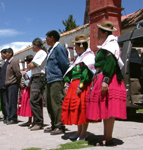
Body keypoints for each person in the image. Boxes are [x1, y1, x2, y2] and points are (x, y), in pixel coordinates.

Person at [86, 21, 127, 146]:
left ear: (104, 33)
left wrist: (105, 80)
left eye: (99, 32)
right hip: (103, 77)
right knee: (105, 109)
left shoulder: (111, 45)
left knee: (109, 110)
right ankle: (106, 136)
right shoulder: (106, 45)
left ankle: (108, 138)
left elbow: (111, 62)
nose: (97, 34)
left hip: (108, 79)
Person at [61, 34, 96, 140]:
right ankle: (79, 131)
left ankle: (83, 133)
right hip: (74, 85)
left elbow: (87, 73)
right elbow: (70, 73)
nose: (75, 48)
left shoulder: (89, 57)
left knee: (82, 109)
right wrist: (66, 83)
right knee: (76, 109)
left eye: (76, 46)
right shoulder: (78, 58)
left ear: (81, 46)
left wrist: (81, 85)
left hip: (82, 86)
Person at [44, 30, 69, 135]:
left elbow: (65, 65)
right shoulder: (50, 50)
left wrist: (64, 80)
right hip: (49, 79)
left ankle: (60, 125)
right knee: (50, 104)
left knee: (57, 103)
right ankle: (54, 124)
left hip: (56, 79)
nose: (46, 40)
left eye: (47, 37)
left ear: (52, 37)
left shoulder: (59, 48)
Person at [27, 38, 47, 131]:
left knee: (34, 99)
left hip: (39, 77)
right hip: (36, 77)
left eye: (33, 45)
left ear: (36, 45)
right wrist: (30, 65)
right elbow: (30, 65)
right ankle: (38, 121)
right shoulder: (37, 54)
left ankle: (38, 122)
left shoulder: (41, 53)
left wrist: (30, 65)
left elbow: (33, 65)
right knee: (35, 100)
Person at [5, 48, 22, 125]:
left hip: (13, 84)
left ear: (11, 53)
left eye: (7, 53)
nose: (5, 54)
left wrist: (18, 83)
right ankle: (10, 116)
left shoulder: (14, 61)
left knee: (12, 102)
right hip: (8, 84)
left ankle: (13, 118)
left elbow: (18, 73)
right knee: (9, 102)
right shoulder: (8, 62)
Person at [18, 55, 34, 127]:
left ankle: (35, 120)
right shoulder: (28, 71)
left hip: (32, 89)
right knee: (28, 104)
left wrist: (24, 83)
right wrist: (22, 83)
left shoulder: (34, 71)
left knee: (33, 104)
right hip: (27, 89)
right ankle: (29, 120)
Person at [0, 49, 9, 123]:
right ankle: (5, 115)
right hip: (1, 85)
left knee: (6, 101)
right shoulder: (3, 63)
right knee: (3, 101)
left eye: (2, 54)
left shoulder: (8, 63)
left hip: (5, 84)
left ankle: (8, 116)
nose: (1, 56)